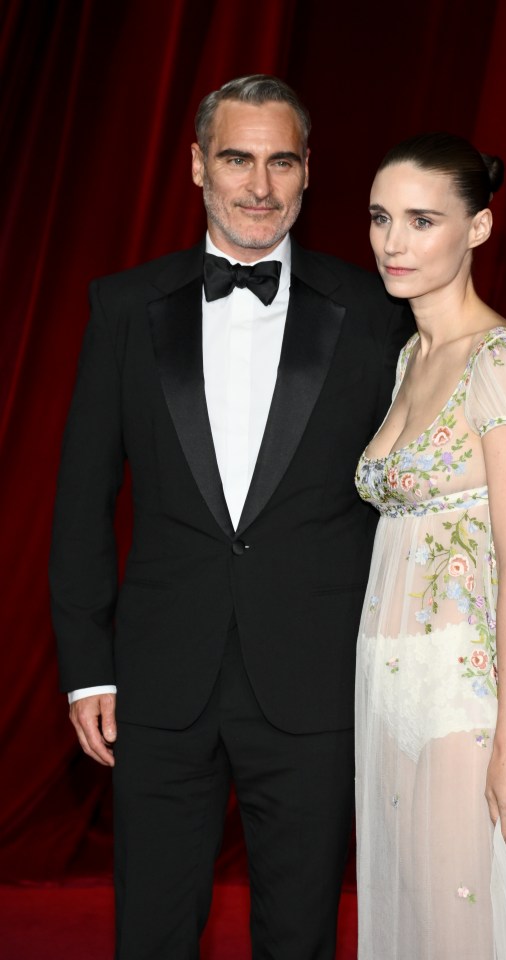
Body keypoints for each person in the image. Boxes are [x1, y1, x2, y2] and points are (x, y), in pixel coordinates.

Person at [49, 74, 413, 960]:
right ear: (197, 166)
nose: (259, 185)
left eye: (280, 161)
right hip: (160, 681)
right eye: (238, 159)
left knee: (300, 932)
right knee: (153, 929)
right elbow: (80, 498)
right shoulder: (124, 308)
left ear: (307, 171)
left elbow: (406, 504)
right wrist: (87, 668)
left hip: (316, 679)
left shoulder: (374, 312)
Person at [354, 133, 506, 959]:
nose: (393, 242)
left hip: (470, 697)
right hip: (387, 681)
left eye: (421, 220)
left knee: (463, 935)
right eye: (381, 218)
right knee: (420, 927)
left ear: (477, 229)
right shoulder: (412, 356)